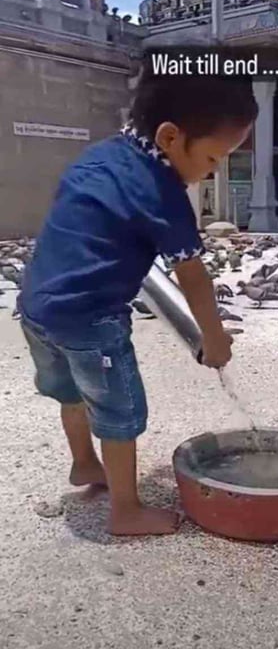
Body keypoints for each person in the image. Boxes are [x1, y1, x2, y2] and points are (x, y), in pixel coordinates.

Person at [19, 63, 258, 537]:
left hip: (35, 306)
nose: (211, 172)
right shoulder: (162, 193)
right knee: (119, 413)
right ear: (171, 137)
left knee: (70, 392)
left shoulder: (100, 155)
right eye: (213, 159)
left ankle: (85, 465)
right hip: (91, 319)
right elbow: (191, 276)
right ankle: (126, 512)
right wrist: (214, 339)